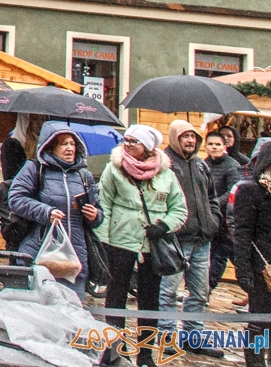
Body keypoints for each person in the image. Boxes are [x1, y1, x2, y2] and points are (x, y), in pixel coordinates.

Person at [97, 125, 186, 367]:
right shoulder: (113, 169)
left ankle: (145, 355)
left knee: (149, 300)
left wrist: (164, 226)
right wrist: (104, 242)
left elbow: (179, 209)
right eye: (125, 140)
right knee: (116, 296)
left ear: (147, 146)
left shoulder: (166, 174)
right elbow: (104, 205)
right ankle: (115, 350)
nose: (127, 144)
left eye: (133, 141)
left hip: (152, 246)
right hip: (120, 241)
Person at [8, 127, 103, 292]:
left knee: (72, 305)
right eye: (63, 144)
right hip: (39, 253)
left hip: (74, 259)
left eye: (72, 144)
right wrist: (46, 212)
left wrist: (95, 216)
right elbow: (16, 198)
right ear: (50, 147)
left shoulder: (84, 176)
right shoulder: (35, 169)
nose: (70, 148)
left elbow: (98, 213)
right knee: (39, 304)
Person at [160, 120, 218, 350]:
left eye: (193, 136)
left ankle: (193, 337)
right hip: (175, 240)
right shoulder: (164, 163)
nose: (190, 140)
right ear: (175, 138)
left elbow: (212, 197)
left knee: (200, 293)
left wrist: (213, 221)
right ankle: (167, 337)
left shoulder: (201, 165)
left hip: (201, 240)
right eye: (185, 136)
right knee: (168, 292)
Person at [232, 145, 271, 367]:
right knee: (259, 321)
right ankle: (255, 362)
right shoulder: (250, 190)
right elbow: (242, 233)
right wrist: (244, 269)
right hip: (261, 268)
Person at [204, 129, 243, 291]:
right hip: (210, 217)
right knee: (213, 253)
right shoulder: (203, 164)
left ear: (224, 147)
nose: (214, 147)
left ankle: (208, 287)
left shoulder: (232, 166)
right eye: (211, 144)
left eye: (218, 144)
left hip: (227, 218)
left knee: (222, 254)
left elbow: (233, 191)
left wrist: (214, 203)